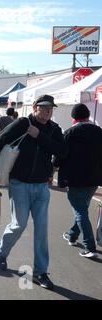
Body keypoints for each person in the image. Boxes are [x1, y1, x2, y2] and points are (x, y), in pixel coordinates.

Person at [0, 94, 66, 290]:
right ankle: (1, 251)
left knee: (41, 231)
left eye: (51, 108)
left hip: (41, 187)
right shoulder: (23, 123)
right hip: (19, 184)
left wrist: (38, 136)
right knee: (19, 224)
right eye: (45, 107)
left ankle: (40, 272)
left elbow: (62, 152)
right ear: (35, 107)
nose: (48, 111)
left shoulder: (53, 129)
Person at [54, 103, 102, 259]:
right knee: (82, 208)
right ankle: (72, 235)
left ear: (73, 117)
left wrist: (52, 168)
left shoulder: (69, 133)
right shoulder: (99, 131)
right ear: (88, 116)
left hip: (73, 178)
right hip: (94, 178)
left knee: (80, 210)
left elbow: (60, 155)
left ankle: (90, 247)